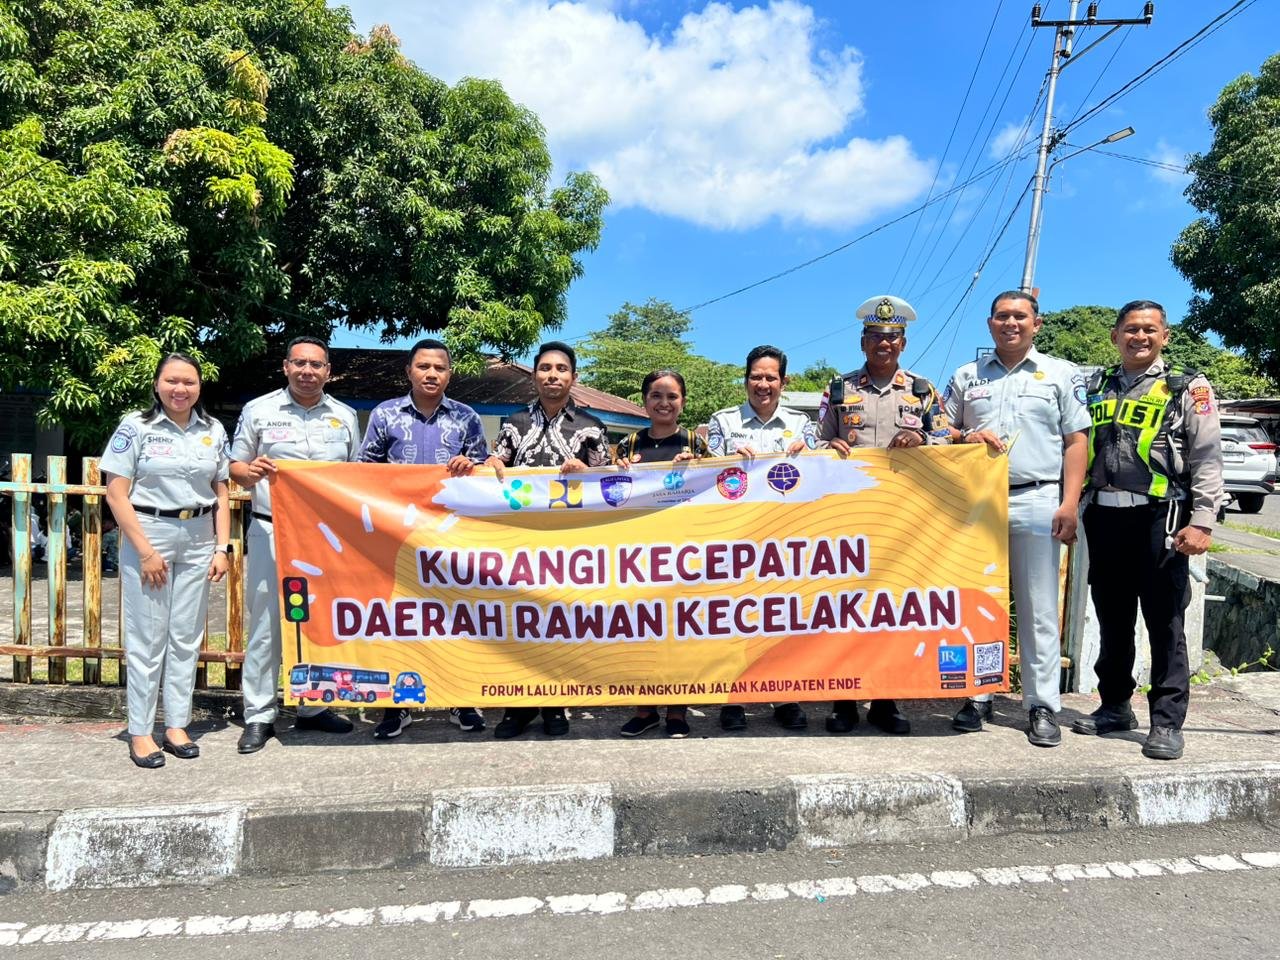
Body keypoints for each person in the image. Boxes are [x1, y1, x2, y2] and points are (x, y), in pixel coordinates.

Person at [1072, 300, 1223, 761]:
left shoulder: (1187, 385)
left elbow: (1207, 457)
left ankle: (1166, 721)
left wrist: (1203, 521)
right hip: (1105, 515)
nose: (1140, 337)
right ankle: (1114, 705)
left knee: (1164, 620)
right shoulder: (1095, 385)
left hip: (1162, 519)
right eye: (1131, 329)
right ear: (1115, 335)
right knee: (1112, 615)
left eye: (1149, 330)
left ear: (1165, 335)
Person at [944, 291, 1089, 747]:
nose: (1011, 323)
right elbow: (941, 431)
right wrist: (966, 433)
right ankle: (978, 694)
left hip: (1036, 497)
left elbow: (1076, 441)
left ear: (1036, 323)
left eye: (1020, 316)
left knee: (1039, 607)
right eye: (1002, 316)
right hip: (977, 503)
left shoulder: (1061, 374)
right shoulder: (966, 377)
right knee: (977, 605)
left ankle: (1041, 704)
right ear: (989, 324)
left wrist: (1069, 504)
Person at [817, 295, 950, 736]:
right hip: (849, 515)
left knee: (893, 610)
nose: (883, 344)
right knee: (847, 608)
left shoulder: (923, 391)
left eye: (891, 338)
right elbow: (817, 443)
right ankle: (844, 700)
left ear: (903, 343)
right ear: (862, 341)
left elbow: (950, 443)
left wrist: (923, 442)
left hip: (903, 517)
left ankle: (886, 700)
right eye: (875, 337)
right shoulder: (838, 390)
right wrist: (828, 448)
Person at [230, 336, 360, 753]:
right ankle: (259, 715)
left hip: (325, 537)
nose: (308, 371)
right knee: (268, 624)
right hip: (272, 529)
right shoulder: (259, 410)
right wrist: (250, 472)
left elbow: (355, 475)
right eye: (300, 363)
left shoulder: (344, 416)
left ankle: (312, 706)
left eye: (317, 365)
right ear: (286, 367)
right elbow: (235, 466)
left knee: (318, 623)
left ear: (328, 371)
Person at [101, 353, 231, 768]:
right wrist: (145, 551)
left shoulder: (212, 430)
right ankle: (140, 731)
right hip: (150, 533)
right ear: (157, 384)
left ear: (199, 387)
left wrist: (222, 547)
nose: (181, 389)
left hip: (198, 534)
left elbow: (222, 491)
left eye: (189, 382)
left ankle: (176, 725)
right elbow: (116, 494)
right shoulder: (136, 426)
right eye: (172, 381)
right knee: (147, 637)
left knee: (186, 636)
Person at [360, 337, 490, 740]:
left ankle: (461, 698)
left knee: (456, 617)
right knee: (399, 620)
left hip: (451, 538)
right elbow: (365, 473)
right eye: (423, 367)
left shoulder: (467, 418)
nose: (431, 374)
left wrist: (473, 466)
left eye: (440, 368)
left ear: (450, 373)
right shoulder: (384, 415)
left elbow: (485, 471)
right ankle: (396, 707)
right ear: (409, 371)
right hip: (398, 537)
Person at [483, 340, 611, 738]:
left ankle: (556, 704)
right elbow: (497, 462)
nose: (552, 376)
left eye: (561, 369)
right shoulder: (514, 422)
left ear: (574, 377)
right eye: (545, 369)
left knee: (558, 621)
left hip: (569, 545)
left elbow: (611, 484)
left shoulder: (591, 425)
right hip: (520, 542)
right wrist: (490, 463)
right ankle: (518, 708)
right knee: (520, 621)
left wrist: (585, 472)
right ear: (535, 375)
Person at [706, 344, 817, 732]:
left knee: (783, 615)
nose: (763, 384)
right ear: (746, 379)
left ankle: (785, 694)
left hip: (787, 539)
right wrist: (725, 459)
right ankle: (733, 698)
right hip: (736, 538)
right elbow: (707, 476)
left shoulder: (804, 425)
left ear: (784, 382)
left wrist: (812, 454)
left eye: (771, 377)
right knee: (735, 618)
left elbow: (824, 474)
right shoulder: (723, 422)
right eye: (756, 376)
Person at [615, 369, 712, 740]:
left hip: (685, 552)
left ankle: (677, 711)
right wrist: (617, 471)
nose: (664, 403)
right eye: (656, 395)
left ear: (682, 402)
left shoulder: (696, 445)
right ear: (644, 401)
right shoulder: (627, 446)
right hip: (639, 554)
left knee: (679, 633)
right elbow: (610, 494)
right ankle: (644, 710)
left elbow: (721, 488)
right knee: (641, 631)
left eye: (672, 396)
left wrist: (700, 467)